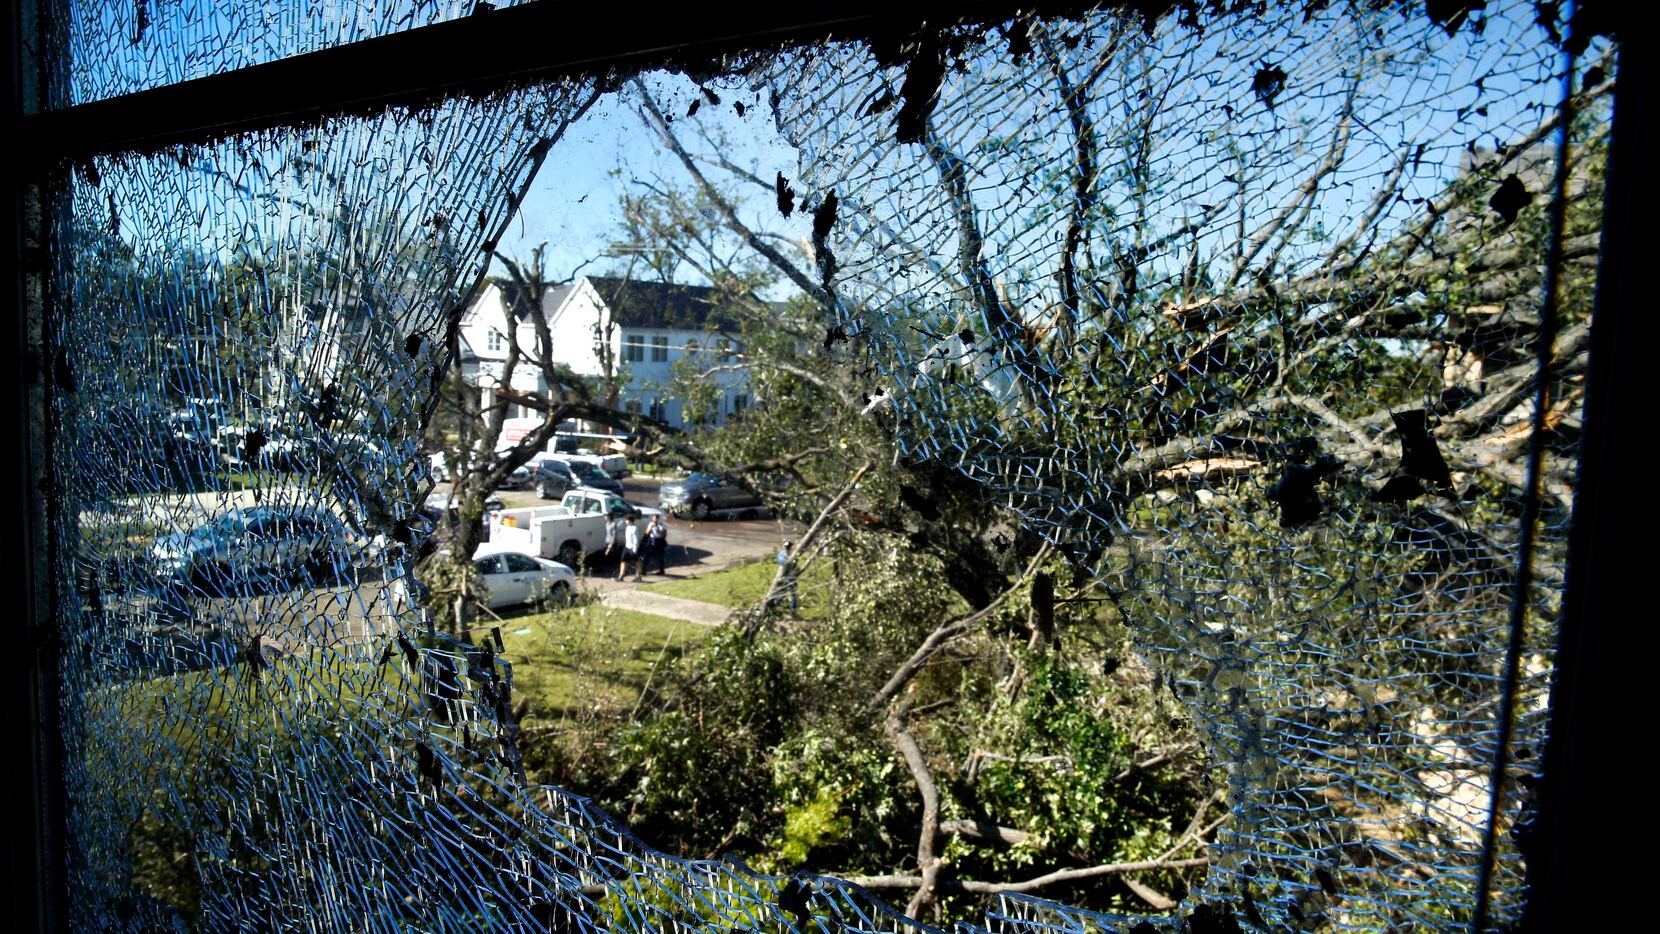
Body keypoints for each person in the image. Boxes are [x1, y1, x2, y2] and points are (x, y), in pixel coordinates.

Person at [775, 539, 798, 615]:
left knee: (781, 593)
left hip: (780, 576)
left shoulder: (780, 554)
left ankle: (775, 606)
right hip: (789, 578)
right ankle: (793, 612)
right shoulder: (791, 557)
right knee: (793, 595)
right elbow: (794, 567)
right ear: (791, 547)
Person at [621, 510, 644, 582]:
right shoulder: (628, 528)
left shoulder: (634, 528)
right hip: (627, 547)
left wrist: (634, 550)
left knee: (637, 562)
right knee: (623, 560)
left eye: (626, 520)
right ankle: (620, 576)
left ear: (630, 520)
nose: (625, 521)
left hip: (633, 548)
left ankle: (638, 576)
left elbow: (636, 540)